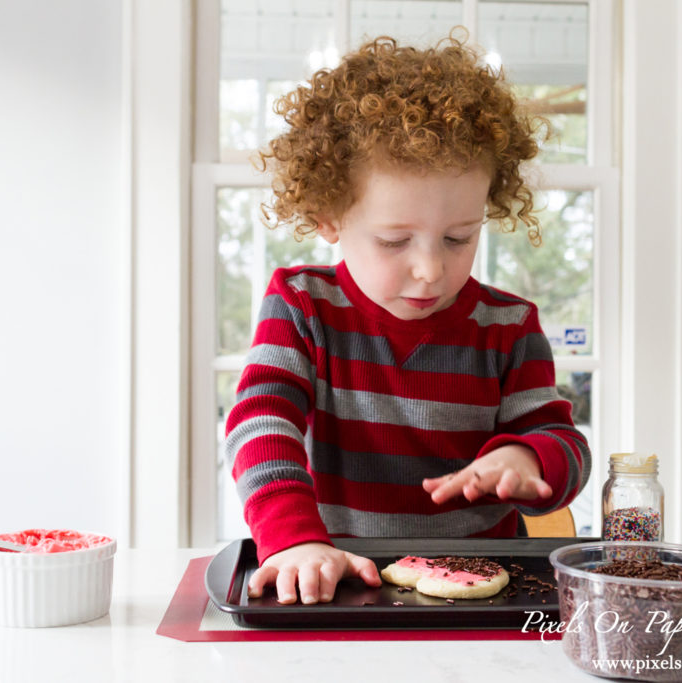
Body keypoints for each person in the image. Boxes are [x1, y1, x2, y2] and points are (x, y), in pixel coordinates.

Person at [225, 31, 591, 606]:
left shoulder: (508, 326)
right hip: (339, 579)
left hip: (485, 594)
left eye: (457, 237)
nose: (430, 269)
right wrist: (292, 539)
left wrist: (526, 456)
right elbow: (259, 421)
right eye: (395, 241)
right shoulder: (303, 305)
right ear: (328, 218)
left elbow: (564, 444)